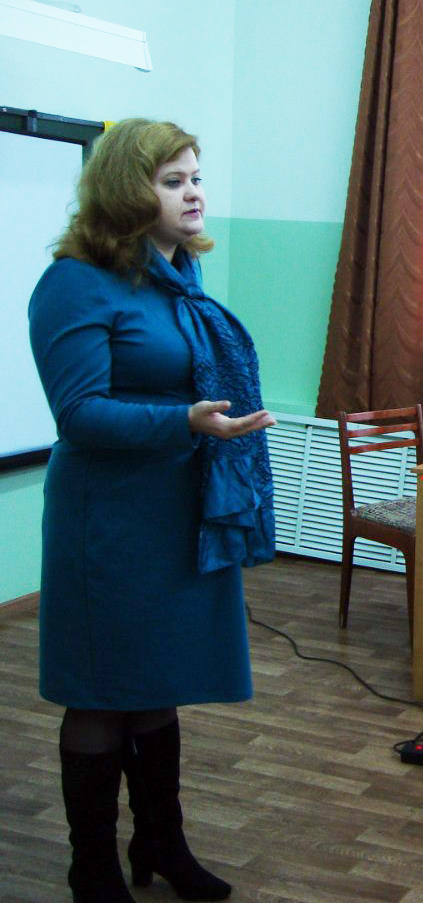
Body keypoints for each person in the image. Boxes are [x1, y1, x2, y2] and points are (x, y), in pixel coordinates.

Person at [28, 118, 276, 903]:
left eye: (195, 176)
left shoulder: (176, 276)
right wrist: (185, 422)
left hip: (177, 510)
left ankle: (162, 843)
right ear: (127, 192)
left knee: (156, 681)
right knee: (102, 692)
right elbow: (79, 415)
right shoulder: (75, 282)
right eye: (173, 181)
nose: (194, 192)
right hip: (109, 521)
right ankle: (93, 866)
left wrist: (200, 429)